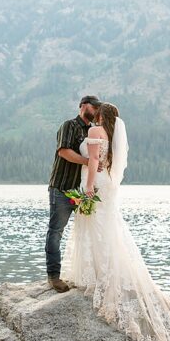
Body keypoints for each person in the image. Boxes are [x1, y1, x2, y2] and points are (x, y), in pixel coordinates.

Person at [62, 102, 170, 341]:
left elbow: (92, 162)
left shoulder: (97, 132)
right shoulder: (111, 135)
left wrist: (88, 187)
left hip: (96, 184)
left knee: (96, 229)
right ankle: (107, 271)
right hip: (109, 185)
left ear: (99, 115)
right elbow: (106, 161)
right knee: (107, 229)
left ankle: (97, 276)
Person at [44, 95, 101, 292]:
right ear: (83, 106)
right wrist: (88, 162)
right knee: (56, 232)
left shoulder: (93, 131)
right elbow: (63, 151)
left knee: (87, 232)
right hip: (62, 187)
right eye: (94, 107)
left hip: (83, 190)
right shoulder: (69, 126)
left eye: (98, 108)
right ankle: (54, 276)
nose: (96, 110)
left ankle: (87, 273)